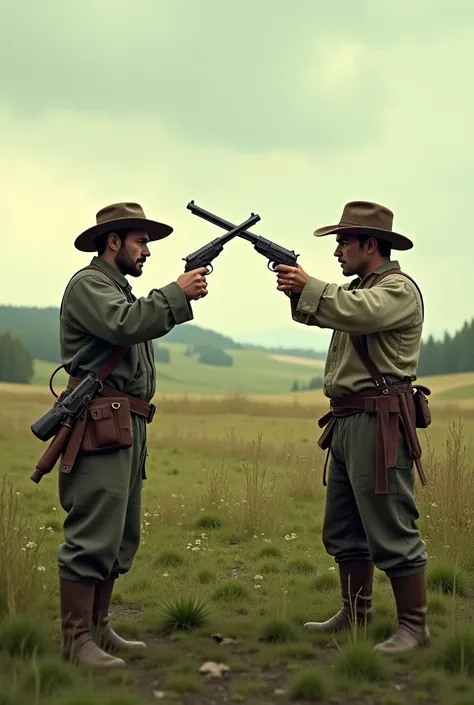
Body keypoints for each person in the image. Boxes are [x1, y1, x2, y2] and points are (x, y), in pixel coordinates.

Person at [56, 202, 209, 668]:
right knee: (93, 531)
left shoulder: (118, 289)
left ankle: (99, 629)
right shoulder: (89, 285)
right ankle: (76, 639)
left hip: (125, 423)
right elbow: (126, 324)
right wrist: (176, 294)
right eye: (141, 241)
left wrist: (168, 298)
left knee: (120, 534)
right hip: (101, 422)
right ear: (113, 241)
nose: (147, 251)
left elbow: (135, 318)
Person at [274, 200, 429, 655]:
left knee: (390, 523)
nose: (337, 250)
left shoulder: (395, 289)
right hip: (348, 419)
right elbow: (325, 311)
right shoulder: (361, 288)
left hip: (378, 419)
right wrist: (293, 289)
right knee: (345, 527)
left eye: (344, 241)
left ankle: (415, 628)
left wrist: (309, 285)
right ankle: (356, 614)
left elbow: (357, 312)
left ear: (370, 245)